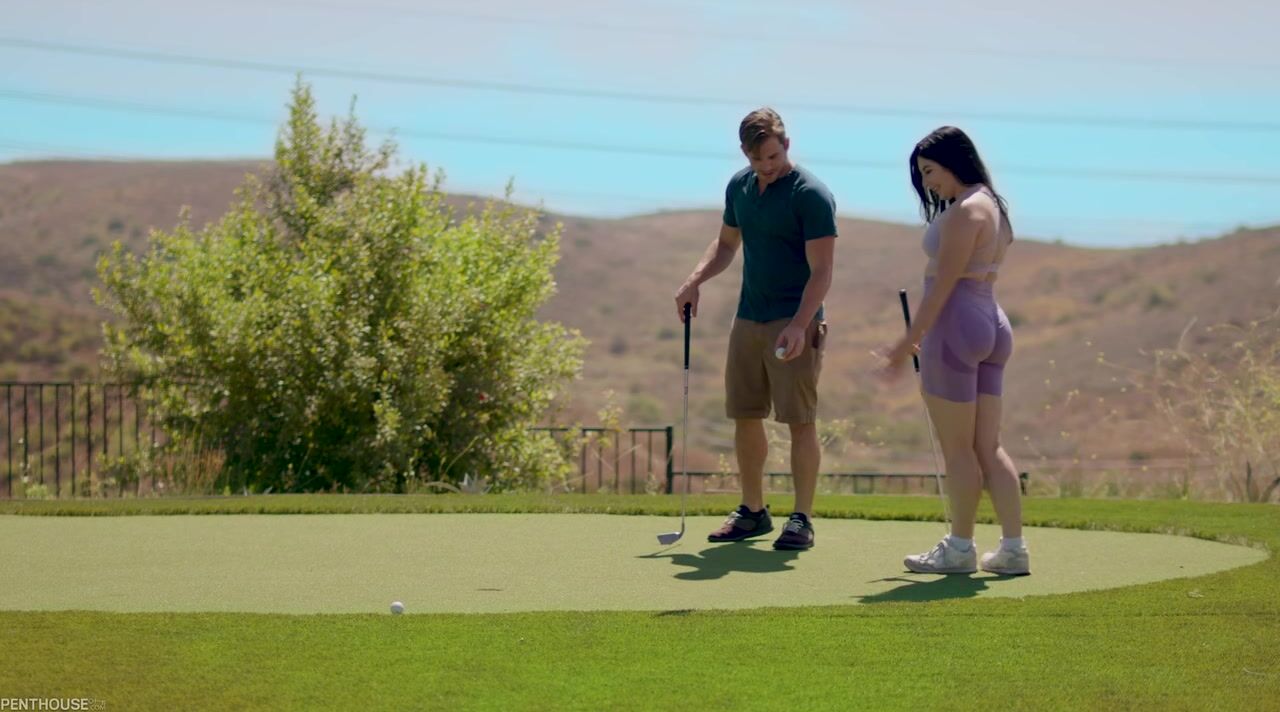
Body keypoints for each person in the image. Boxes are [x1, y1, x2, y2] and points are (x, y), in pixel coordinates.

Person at [673, 107, 837, 551]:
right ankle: (752, 511)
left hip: (794, 319)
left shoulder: (811, 195)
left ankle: (801, 519)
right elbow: (727, 245)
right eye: (756, 158)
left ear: (787, 145)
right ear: (744, 153)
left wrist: (801, 325)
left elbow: (822, 271)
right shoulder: (740, 187)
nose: (766, 166)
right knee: (745, 414)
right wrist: (694, 281)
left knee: (799, 420)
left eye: (773, 156)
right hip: (748, 317)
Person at [880, 126, 1029, 575]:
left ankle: (960, 549)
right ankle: (1014, 550)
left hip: (956, 326)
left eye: (930, 171)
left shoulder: (966, 210)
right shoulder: (994, 204)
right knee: (988, 446)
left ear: (952, 161)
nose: (928, 184)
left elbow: (944, 284)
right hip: (991, 323)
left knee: (958, 450)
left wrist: (907, 341)